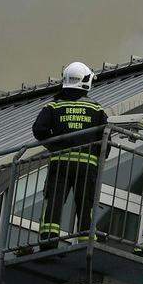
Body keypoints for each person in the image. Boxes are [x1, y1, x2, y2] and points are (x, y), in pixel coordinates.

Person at [32, 61, 108, 249]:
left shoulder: (54, 106)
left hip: (60, 163)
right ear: (85, 82)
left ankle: (48, 242)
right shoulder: (96, 108)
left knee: (54, 201)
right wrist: (98, 155)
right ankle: (86, 241)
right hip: (87, 165)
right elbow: (105, 135)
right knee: (86, 203)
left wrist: (55, 145)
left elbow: (39, 129)